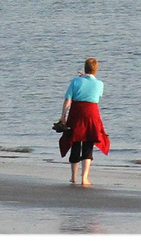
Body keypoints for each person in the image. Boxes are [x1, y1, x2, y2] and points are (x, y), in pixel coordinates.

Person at [57, 57, 110, 186]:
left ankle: (73, 177)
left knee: (75, 142)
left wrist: (63, 116)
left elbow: (67, 101)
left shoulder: (75, 81)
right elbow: (97, 97)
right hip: (92, 114)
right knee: (88, 143)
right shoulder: (100, 84)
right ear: (96, 70)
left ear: (84, 68)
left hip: (76, 113)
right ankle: (84, 178)